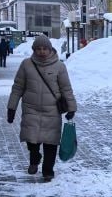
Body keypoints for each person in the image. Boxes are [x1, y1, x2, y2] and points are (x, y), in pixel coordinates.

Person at [6, 35, 77, 181]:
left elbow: (66, 89)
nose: (42, 51)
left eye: (45, 48)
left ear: (50, 49)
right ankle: (35, 158)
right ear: (34, 50)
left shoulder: (59, 66)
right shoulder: (26, 64)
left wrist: (71, 108)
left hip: (52, 111)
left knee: (51, 142)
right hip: (31, 109)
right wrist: (11, 108)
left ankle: (48, 170)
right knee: (31, 140)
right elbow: (18, 87)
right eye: (38, 49)